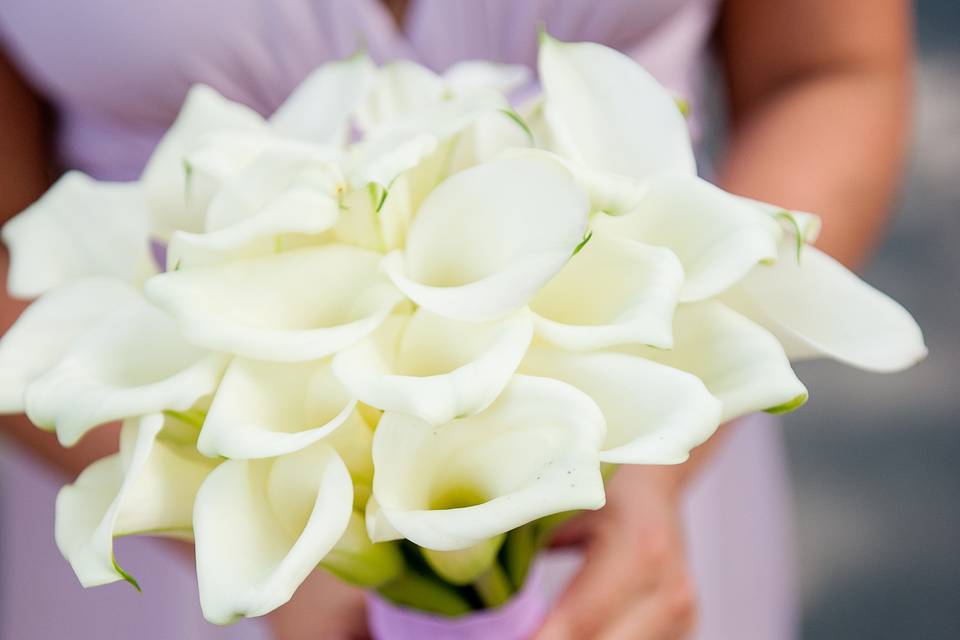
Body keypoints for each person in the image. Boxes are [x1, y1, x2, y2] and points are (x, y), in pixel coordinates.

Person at [0, 1, 911, 638]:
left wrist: (646, 471)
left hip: (645, 475)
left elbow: (827, 69)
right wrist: (295, 558)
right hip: (189, 556)